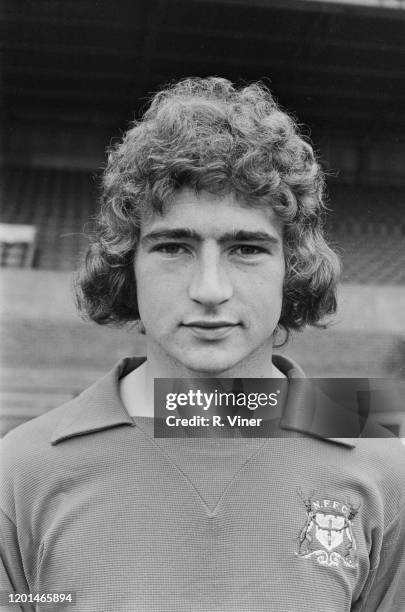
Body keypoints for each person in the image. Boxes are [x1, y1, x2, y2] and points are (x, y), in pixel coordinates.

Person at [1, 77, 404, 612]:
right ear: (128, 265)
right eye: (173, 246)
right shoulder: (19, 472)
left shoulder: (385, 466)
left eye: (247, 248)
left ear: (292, 266)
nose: (209, 290)